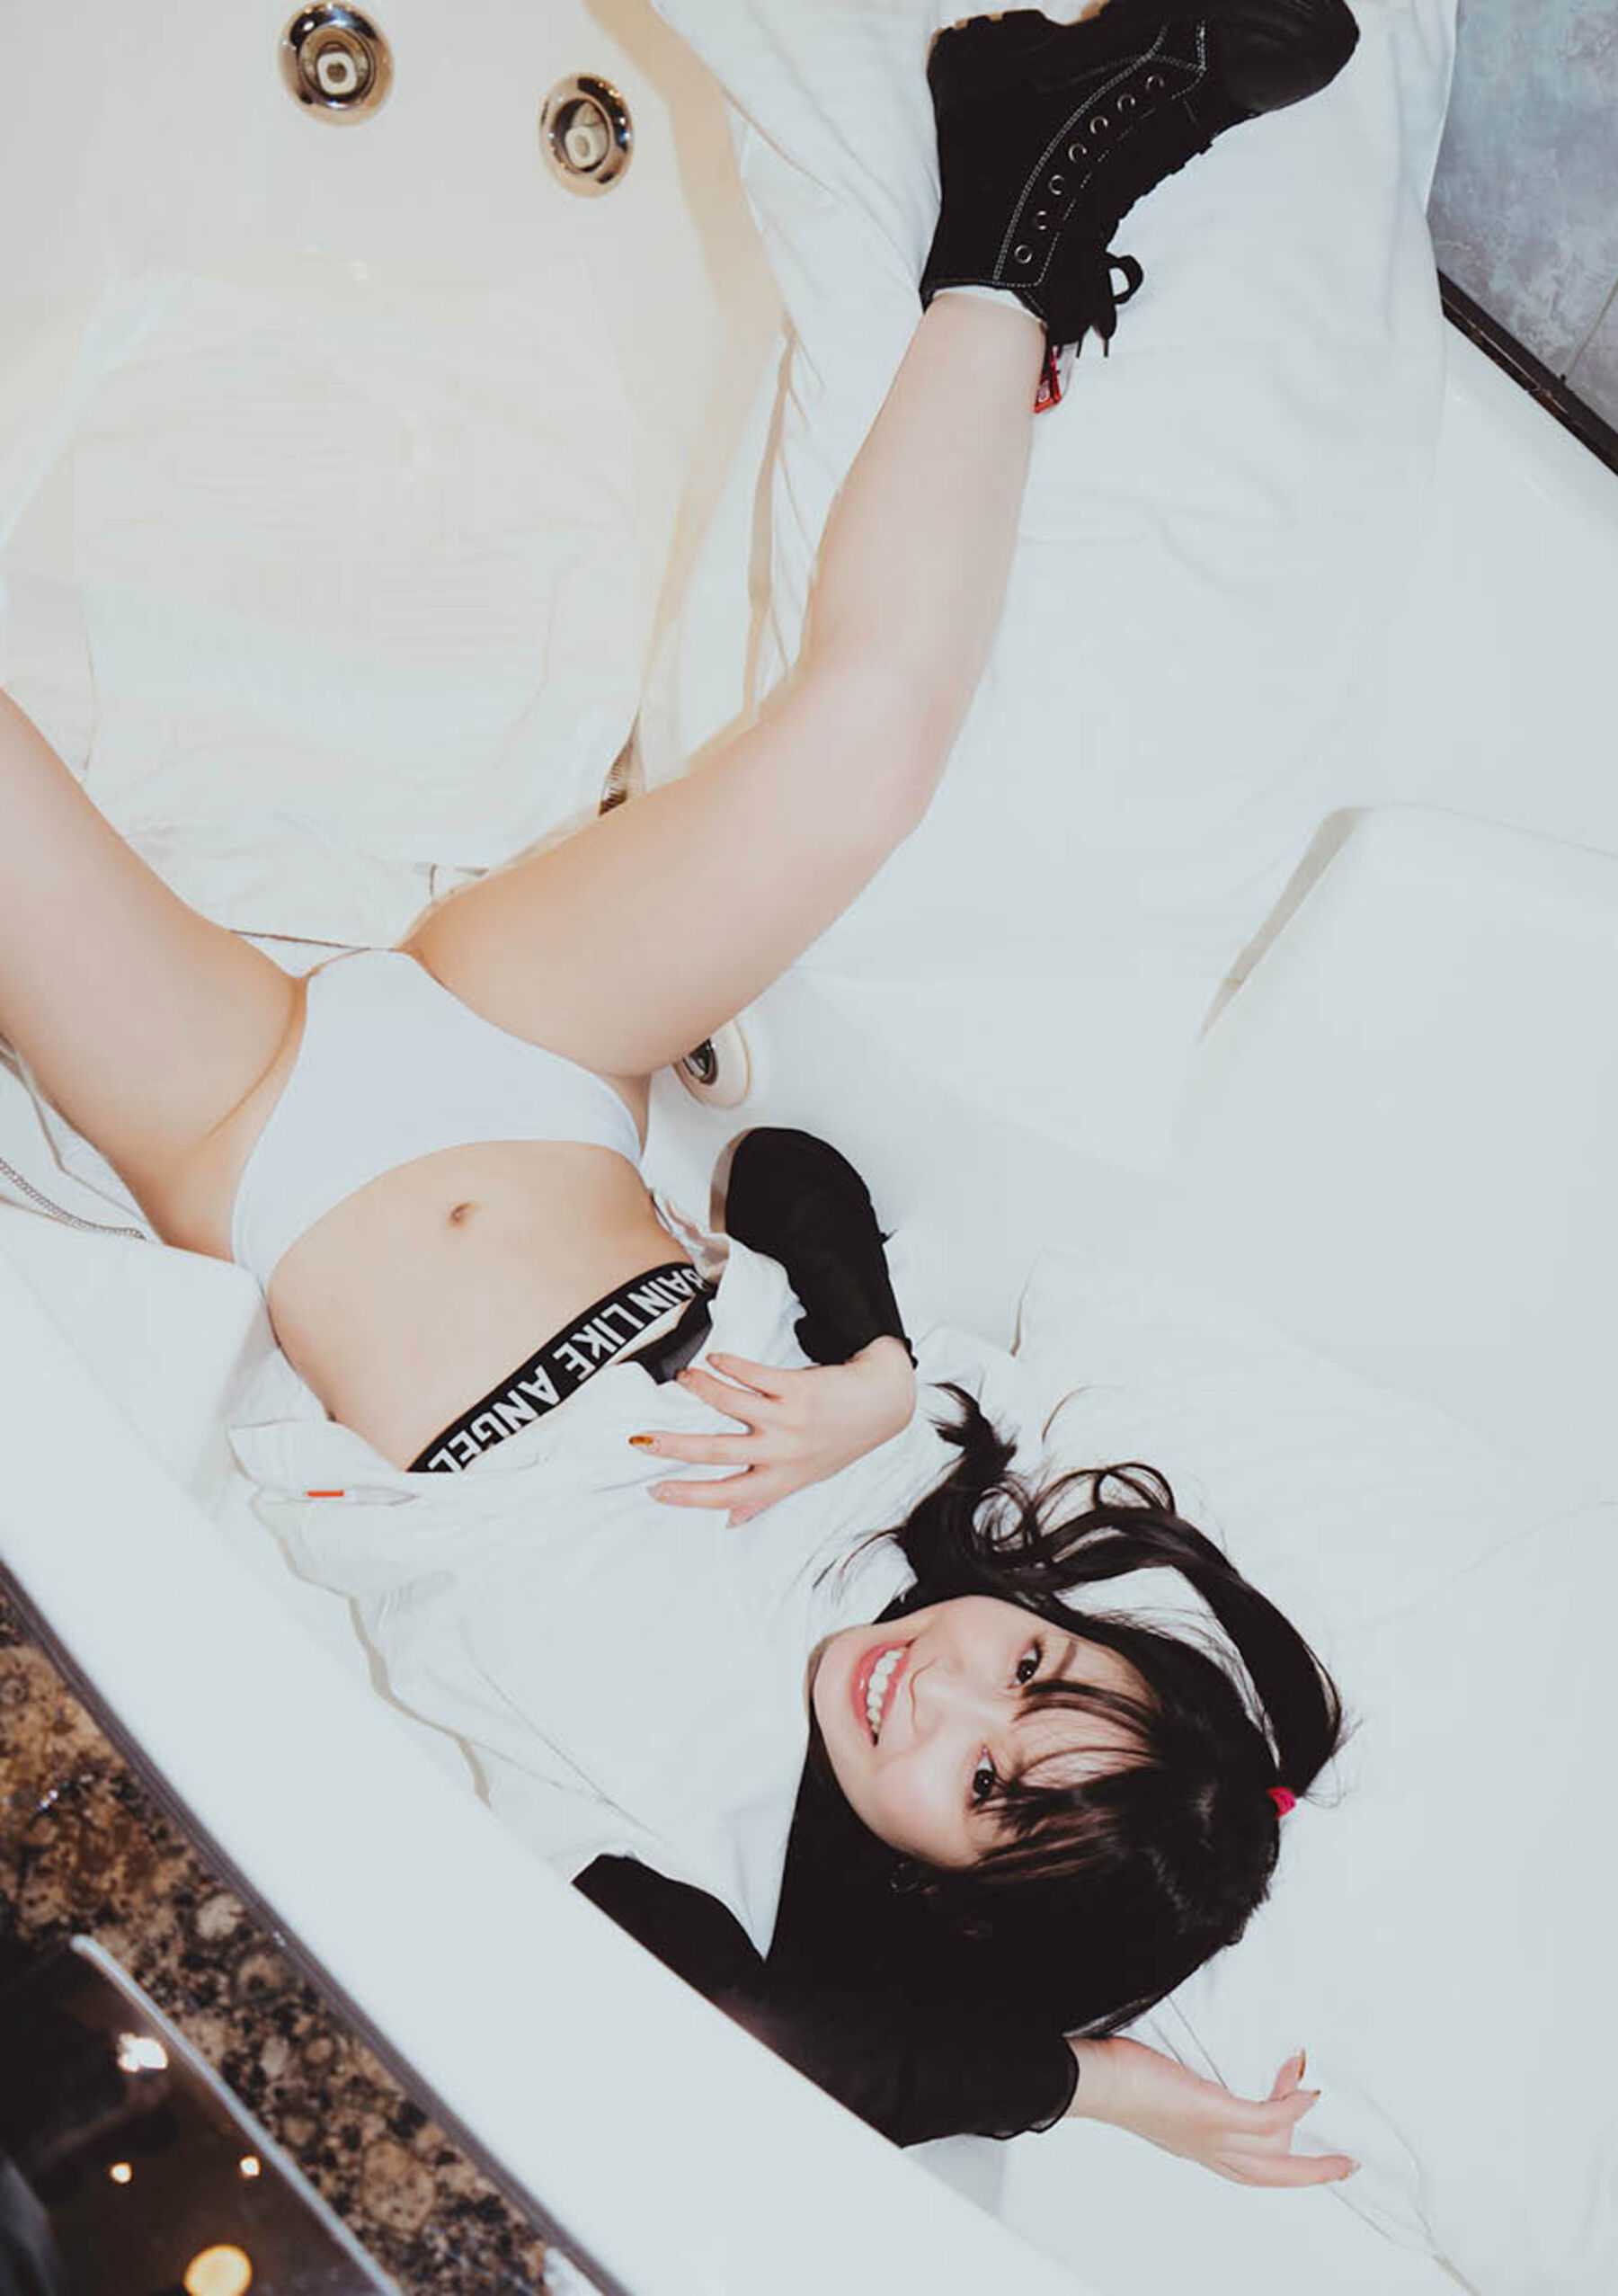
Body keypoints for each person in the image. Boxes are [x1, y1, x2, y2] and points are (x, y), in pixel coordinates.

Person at [0, 0, 1358, 2183]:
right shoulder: (896, 1489)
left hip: (247, 1139)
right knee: (871, 744)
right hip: (535, 1051)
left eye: (987, 1788)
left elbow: (763, 2050)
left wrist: (1081, 2076)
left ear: (941, 1898)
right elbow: (795, 1169)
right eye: (1038, 1673)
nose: (955, 1692)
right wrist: (868, 1362)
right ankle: (1028, 197)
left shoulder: (690, 1840)